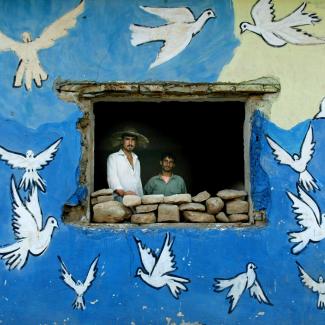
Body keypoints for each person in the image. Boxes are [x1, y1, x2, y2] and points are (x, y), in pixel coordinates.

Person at [107, 127, 149, 201]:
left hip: (136, 199)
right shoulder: (113, 157)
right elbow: (112, 179)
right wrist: (124, 193)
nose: (130, 142)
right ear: (122, 141)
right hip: (120, 198)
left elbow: (138, 183)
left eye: (133, 140)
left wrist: (141, 199)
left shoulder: (137, 160)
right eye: (127, 139)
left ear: (135, 142)